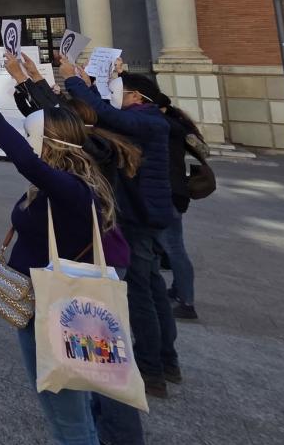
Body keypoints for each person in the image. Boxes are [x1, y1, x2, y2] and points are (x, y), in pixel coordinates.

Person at [0, 81, 116, 445]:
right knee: (74, 413)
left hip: (55, 313)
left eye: (31, 136)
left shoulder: (70, 189)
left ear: (46, 145)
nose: (27, 142)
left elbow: (26, 161)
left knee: (68, 426)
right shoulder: (74, 182)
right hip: (48, 304)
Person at [60, 55, 178, 400]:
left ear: (139, 98)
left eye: (122, 92)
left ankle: (152, 369)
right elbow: (106, 113)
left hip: (137, 217)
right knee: (152, 284)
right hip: (145, 214)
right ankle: (165, 360)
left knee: (140, 293)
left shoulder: (147, 122)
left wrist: (74, 81)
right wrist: (95, 80)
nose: (117, 97)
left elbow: (106, 115)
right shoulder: (146, 120)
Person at [156, 96, 201, 321]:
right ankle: (178, 290)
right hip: (177, 193)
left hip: (168, 193)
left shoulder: (165, 128)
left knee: (173, 247)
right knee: (175, 245)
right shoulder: (176, 125)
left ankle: (187, 302)